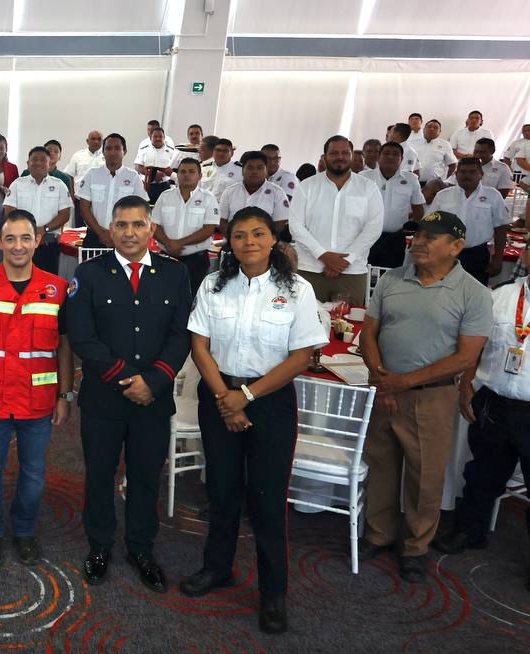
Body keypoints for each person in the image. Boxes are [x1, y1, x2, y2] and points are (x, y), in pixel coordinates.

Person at [180, 206, 327, 635]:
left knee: (266, 501)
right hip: (219, 396)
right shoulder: (213, 284)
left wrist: (244, 397)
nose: (249, 242)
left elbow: (302, 356)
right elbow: (199, 345)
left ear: (273, 241)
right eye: (240, 235)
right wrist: (226, 398)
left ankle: (273, 593)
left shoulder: (298, 290)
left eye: (258, 233)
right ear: (230, 242)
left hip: (270, 402)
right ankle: (217, 568)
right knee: (221, 489)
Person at [358, 210, 491, 583]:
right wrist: (381, 376)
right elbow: (369, 332)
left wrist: (404, 382)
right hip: (385, 389)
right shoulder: (392, 280)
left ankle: (415, 547)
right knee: (381, 466)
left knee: (424, 476)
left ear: (457, 246)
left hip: (431, 398)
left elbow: (466, 357)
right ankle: (379, 535)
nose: (418, 242)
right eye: (418, 235)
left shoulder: (474, 293)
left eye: (431, 237)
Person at [67, 194, 191, 592]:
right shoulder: (88, 274)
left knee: (145, 477)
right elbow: (83, 338)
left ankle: (141, 547)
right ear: (111, 229)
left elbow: (181, 335)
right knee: (99, 475)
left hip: (152, 400)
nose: (130, 232)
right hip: (104, 399)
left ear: (151, 229)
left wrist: (153, 381)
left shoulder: (175, 274)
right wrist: (128, 379)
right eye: (121, 225)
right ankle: (100, 545)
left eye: (139, 224)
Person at [0, 209, 73, 568]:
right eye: (9, 238)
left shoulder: (57, 289)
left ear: (38, 240)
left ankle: (24, 531)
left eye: (26, 238)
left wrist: (64, 394)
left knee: (33, 473)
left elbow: (64, 347)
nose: (18, 246)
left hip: (38, 399)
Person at [432, 247, 530, 587]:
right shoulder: (501, 297)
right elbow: (475, 346)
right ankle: (469, 532)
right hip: (495, 401)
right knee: (481, 474)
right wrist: (465, 387)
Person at [288, 135, 385, 304]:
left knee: (347, 326)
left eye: (345, 153)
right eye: (333, 153)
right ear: (324, 157)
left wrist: (346, 260)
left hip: (352, 271)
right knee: (305, 325)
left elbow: (373, 228)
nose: (340, 157)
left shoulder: (368, 187)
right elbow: (296, 225)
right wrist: (323, 255)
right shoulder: (307, 186)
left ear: (352, 156)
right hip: (310, 269)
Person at [426, 158, 512, 286]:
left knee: (475, 297)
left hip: (477, 255)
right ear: (456, 174)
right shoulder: (443, 196)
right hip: (446, 254)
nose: (467, 175)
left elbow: (500, 228)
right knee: (443, 295)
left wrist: (498, 258)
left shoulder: (493, 196)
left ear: (481, 175)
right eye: (463, 172)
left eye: (472, 172)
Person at [153, 158, 221, 294]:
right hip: (166, 257)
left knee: (192, 298)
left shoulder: (208, 198)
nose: (186, 175)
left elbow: (208, 229)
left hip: (196, 261)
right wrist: (169, 244)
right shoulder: (165, 196)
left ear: (200, 176)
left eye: (191, 171)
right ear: (177, 175)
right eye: (182, 171)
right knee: (162, 295)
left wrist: (178, 243)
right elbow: (154, 225)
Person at [4, 146, 71, 274]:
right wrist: (31, 232)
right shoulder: (17, 184)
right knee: (20, 276)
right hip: (21, 241)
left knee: (47, 281)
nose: (38, 163)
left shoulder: (59, 185)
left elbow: (65, 214)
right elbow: (9, 211)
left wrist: (43, 230)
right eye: (34, 160)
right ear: (28, 163)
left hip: (49, 241)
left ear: (49, 162)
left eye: (42, 160)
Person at [362, 142, 425, 269]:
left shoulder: (411, 179)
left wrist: (410, 229)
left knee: (391, 274)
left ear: (401, 159)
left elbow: (418, 210)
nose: (390, 157)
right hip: (366, 236)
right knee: (366, 274)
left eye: (395, 154)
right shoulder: (363, 177)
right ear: (379, 157)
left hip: (396, 238)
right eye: (386, 153)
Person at [79, 133, 144, 248]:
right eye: (108, 148)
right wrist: (101, 233)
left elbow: (140, 210)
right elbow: (84, 208)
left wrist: (118, 233)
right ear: (103, 152)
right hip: (94, 236)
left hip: (124, 238)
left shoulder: (134, 177)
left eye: (117, 148)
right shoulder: (92, 175)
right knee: (90, 266)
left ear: (125, 151)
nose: (112, 152)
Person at [218, 151, 292, 232]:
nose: (254, 171)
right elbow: (222, 221)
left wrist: (263, 240)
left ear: (266, 170)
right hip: (233, 241)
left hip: (265, 242)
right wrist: (234, 238)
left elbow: (280, 223)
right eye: (250, 168)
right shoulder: (229, 192)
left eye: (259, 168)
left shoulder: (278, 193)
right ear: (242, 170)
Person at [439, 138, 514, 199]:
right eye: (476, 151)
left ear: (492, 151)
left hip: (486, 206)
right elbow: (451, 183)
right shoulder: (465, 164)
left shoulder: (503, 169)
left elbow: (503, 193)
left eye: (482, 152)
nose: (478, 155)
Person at [135, 127, 179, 202]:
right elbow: (137, 167)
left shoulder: (172, 151)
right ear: (150, 138)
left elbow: (175, 168)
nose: (158, 139)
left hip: (164, 185)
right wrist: (153, 175)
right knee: (146, 208)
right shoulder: (143, 150)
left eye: (160, 136)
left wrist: (163, 174)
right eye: (155, 136)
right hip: (147, 185)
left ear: (164, 138)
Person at [416, 119, 459, 184]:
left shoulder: (445, 144)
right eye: (429, 127)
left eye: (435, 128)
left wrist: (447, 181)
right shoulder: (414, 143)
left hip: (434, 184)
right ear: (424, 129)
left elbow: (453, 164)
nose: (432, 129)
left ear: (440, 131)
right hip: (414, 182)